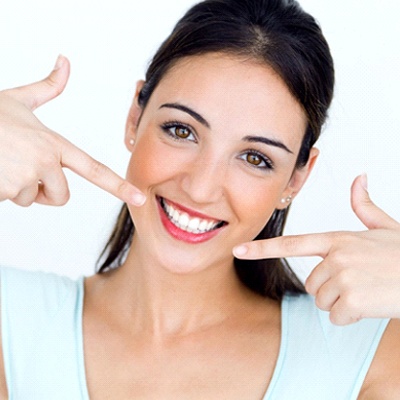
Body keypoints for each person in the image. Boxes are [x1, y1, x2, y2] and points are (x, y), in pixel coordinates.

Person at [0, 0, 399, 398]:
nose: (200, 188)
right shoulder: (11, 321)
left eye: (255, 158)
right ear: (134, 119)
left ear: (297, 177)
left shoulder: (364, 355)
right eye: (181, 130)